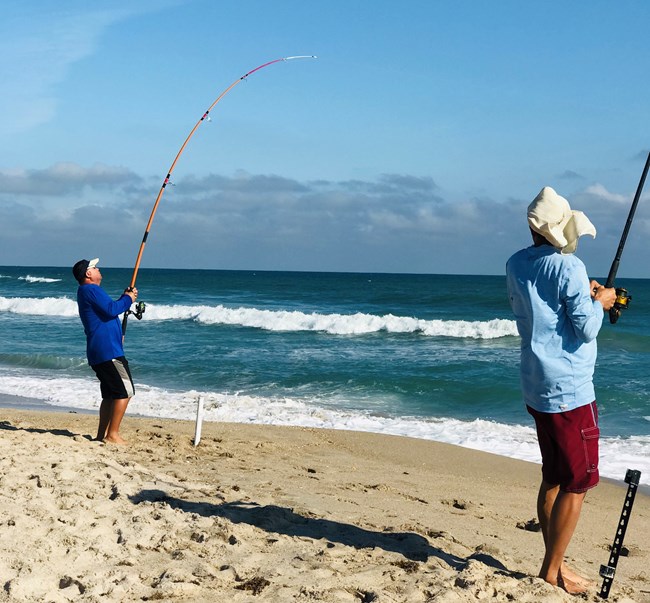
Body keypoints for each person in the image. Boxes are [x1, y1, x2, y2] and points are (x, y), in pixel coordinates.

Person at [505, 186, 617, 594]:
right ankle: (552, 571)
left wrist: (584, 299)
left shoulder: (515, 263)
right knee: (578, 482)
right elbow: (585, 328)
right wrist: (600, 300)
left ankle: (556, 562)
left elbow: (542, 311)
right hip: (570, 390)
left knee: (552, 476)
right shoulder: (568, 266)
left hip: (536, 385)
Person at [73, 258, 138, 444]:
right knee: (125, 392)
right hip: (108, 352)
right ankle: (113, 434)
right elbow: (112, 309)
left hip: (100, 351)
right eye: (94, 267)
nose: (98, 269)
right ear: (88, 274)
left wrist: (124, 299)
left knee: (110, 395)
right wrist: (128, 298)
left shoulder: (86, 291)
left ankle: (102, 435)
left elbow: (106, 312)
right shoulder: (91, 289)